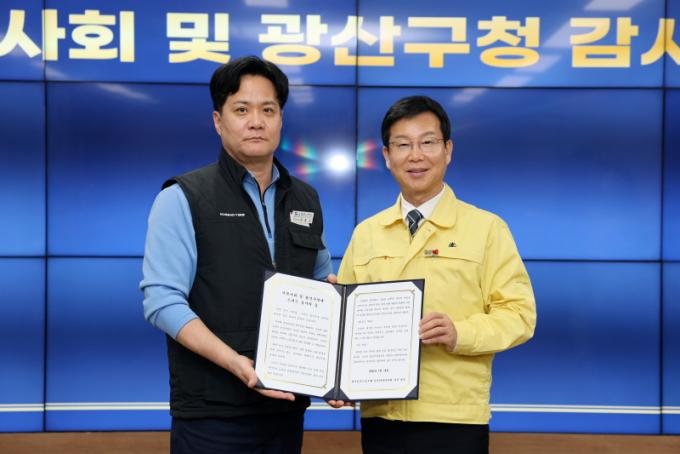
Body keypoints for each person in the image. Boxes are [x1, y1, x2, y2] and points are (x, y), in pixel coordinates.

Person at [140, 56, 333, 453]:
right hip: (212, 412)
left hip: (286, 407)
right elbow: (162, 302)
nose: (256, 121)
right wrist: (236, 363)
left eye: (268, 110)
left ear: (281, 119)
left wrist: (337, 362)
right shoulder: (183, 197)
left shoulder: (306, 199)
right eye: (242, 110)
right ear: (218, 120)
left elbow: (321, 286)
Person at [335, 95, 536, 453]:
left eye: (427, 142)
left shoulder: (487, 229)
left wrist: (460, 333)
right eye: (403, 145)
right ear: (387, 156)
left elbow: (520, 315)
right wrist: (338, 377)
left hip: (454, 418)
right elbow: (346, 326)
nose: (416, 156)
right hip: (382, 415)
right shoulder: (366, 234)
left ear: (447, 150)